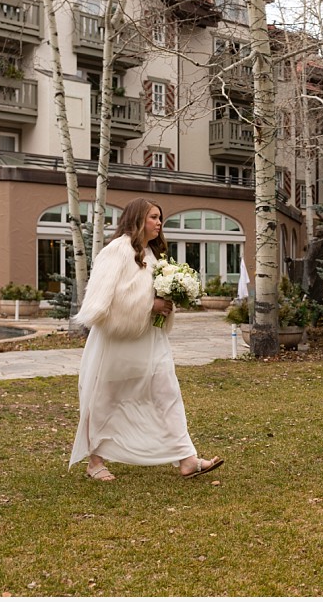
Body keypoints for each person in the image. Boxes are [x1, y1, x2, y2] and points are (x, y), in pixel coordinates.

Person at [68, 197, 224, 482]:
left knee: (167, 392)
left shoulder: (152, 254)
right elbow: (98, 304)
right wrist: (147, 306)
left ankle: (187, 458)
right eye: (153, 217)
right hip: (118, 341)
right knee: (105, 397)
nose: (159, 223)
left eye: (160, 218)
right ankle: (95, 461)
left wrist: (169, 300)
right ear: (137, 218)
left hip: (150, 339)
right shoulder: (116, 251)